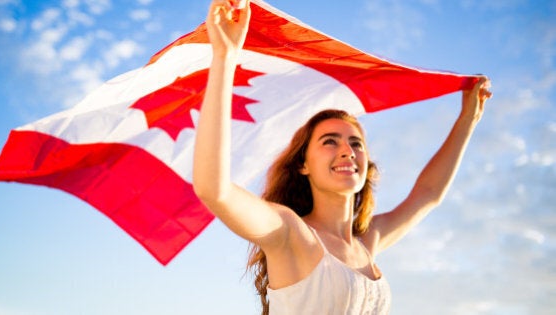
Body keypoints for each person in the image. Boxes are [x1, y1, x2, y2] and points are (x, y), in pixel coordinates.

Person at [192, 1, 492, 314]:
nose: (347, 150)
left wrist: (468, 120)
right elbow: (214, 190)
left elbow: (428, 194)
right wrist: (225, 56)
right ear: (303, 165)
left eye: (356, 143)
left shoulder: (368, 243)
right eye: (329, 141)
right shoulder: (290, 232)